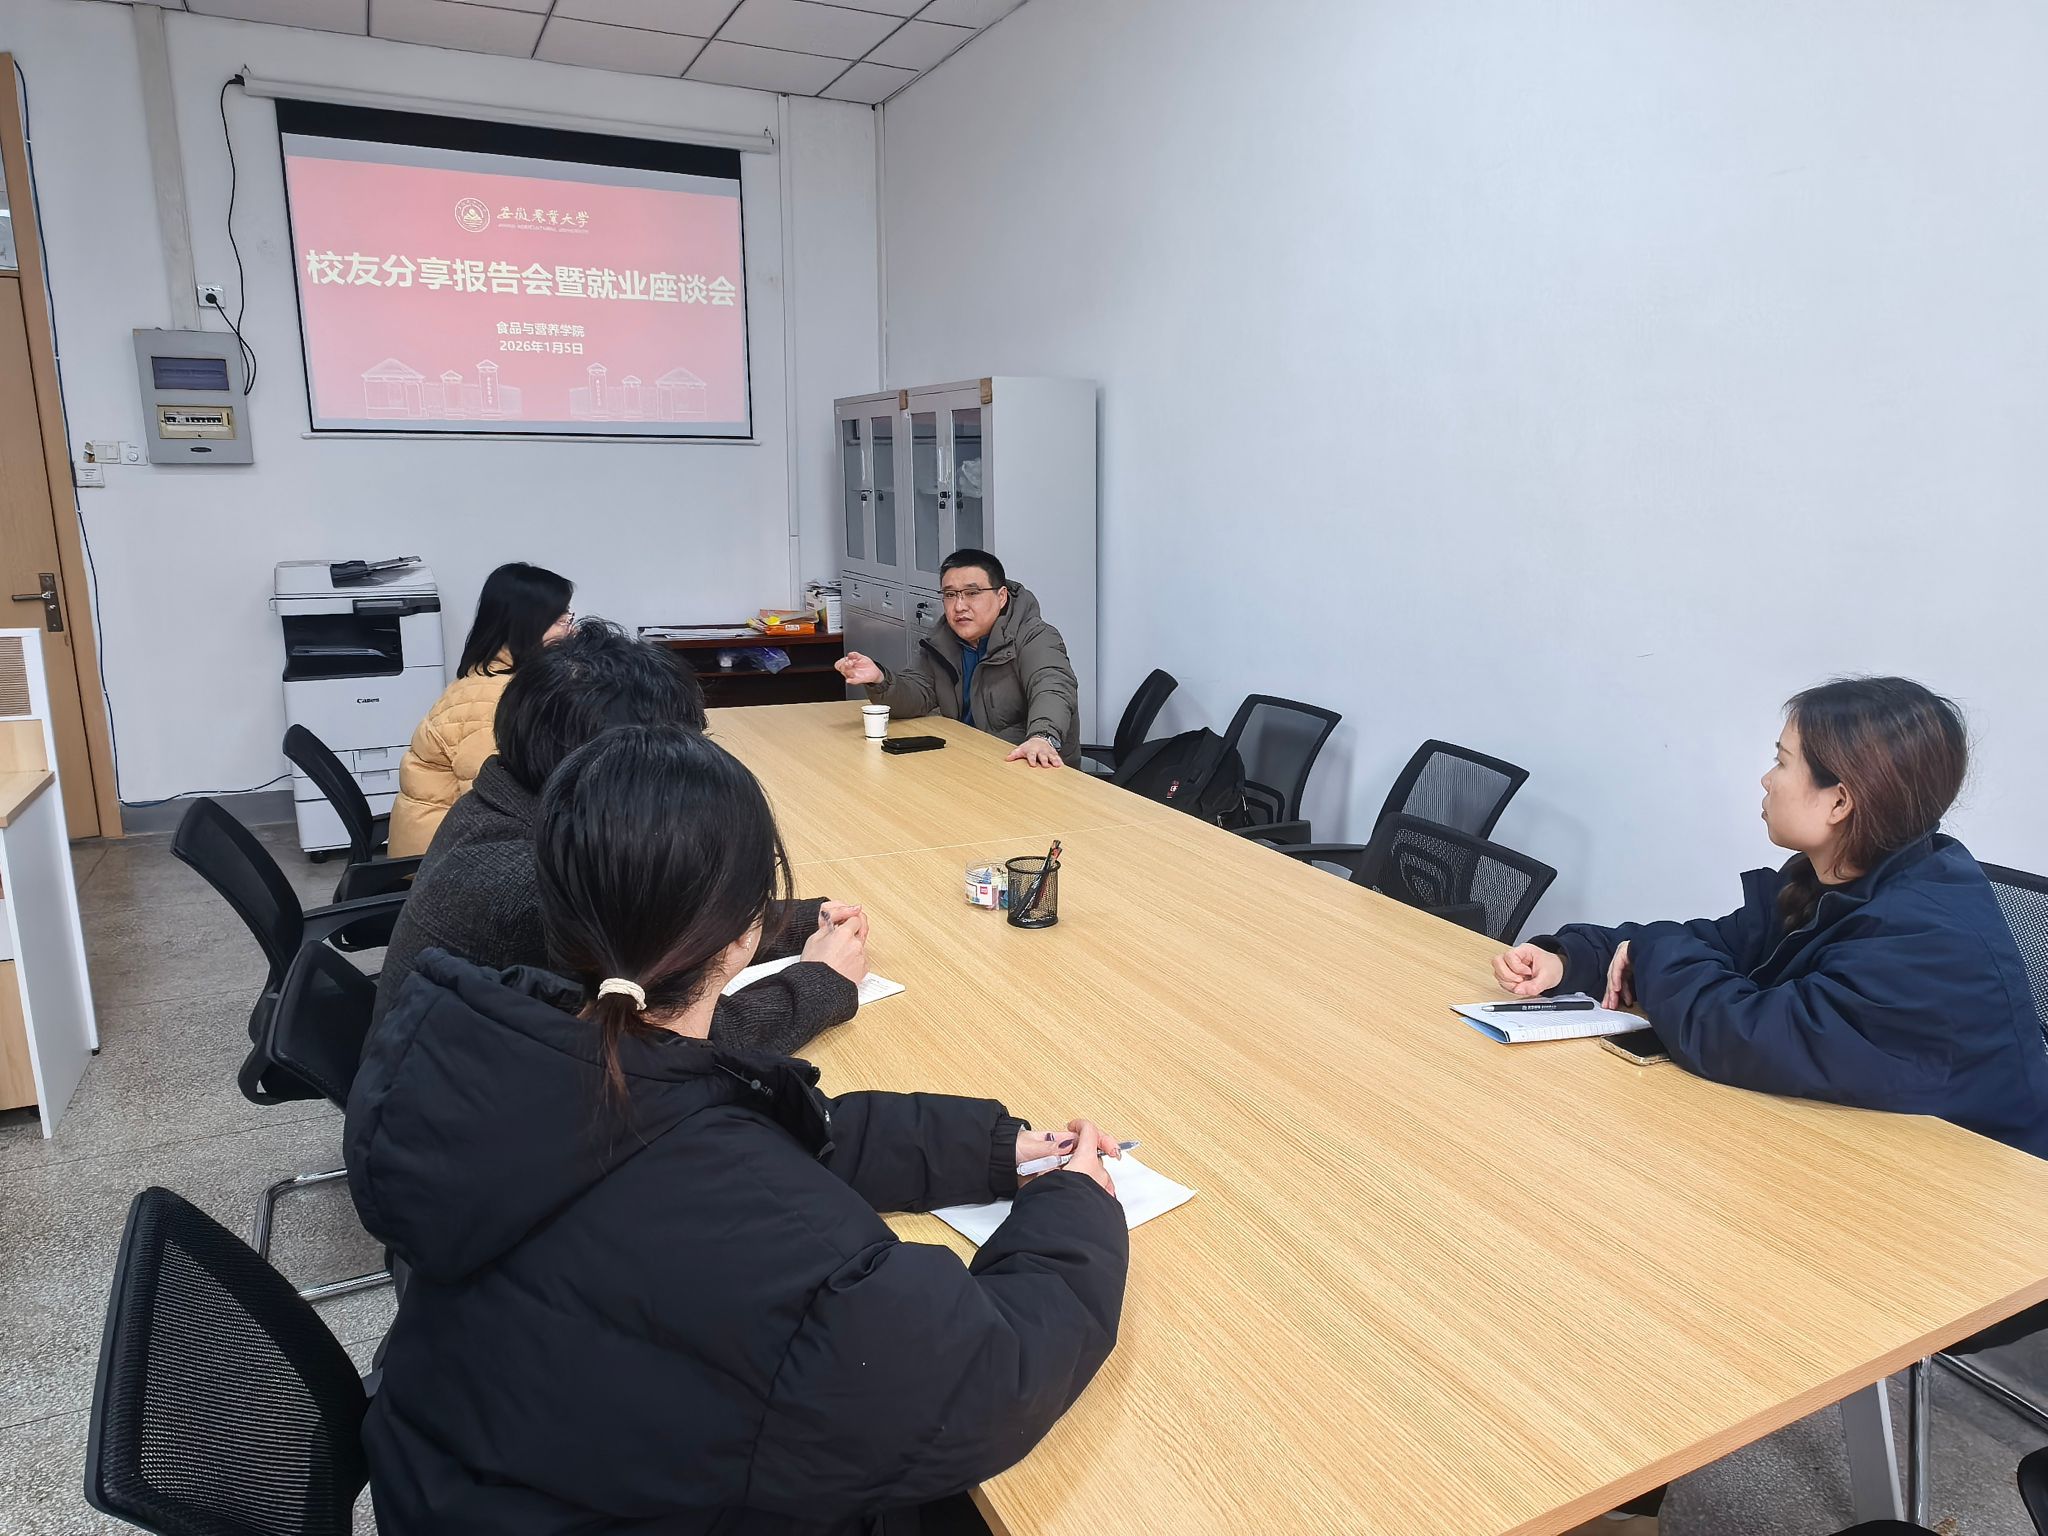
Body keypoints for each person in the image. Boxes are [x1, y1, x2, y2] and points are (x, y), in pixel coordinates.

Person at [348, 723, 1130, 1536]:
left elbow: (762, 1127)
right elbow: (986, 1381)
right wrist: (1077, 1206)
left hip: (444, 1493)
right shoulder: (782, 1259)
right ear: (746, 936)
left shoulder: (497, 1066)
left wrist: (990, 1148)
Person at [1493, 676, 2048, 1160]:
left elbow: (1742, 1034)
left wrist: (1649, 953)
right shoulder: (1833, 878)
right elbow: (1716, 945)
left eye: (1782, 762)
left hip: (1982, 1205)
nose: (1766, 780)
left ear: (1840, 802)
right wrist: (1573, 960)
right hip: (1862, 1157)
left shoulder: (1928, 939)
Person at [373, 619, 866, 1057]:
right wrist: (821, 982)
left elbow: (665, 930)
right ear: (622, 766)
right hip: (498, 1120)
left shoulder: (505, 800)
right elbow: (667, 1047)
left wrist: (801, 921)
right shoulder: (539, 884)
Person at [388, 562, 575, 857]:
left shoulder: (491, 672)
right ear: (528, 625)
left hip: (447, 840)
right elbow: (494, 801)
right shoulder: (491, 703)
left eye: (569, 617)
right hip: (438, 859)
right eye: (561, 621)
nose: (571, 631)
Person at [834, 548, 1080, 768]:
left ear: (1001, 596)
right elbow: (917, 694)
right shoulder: (943, 639)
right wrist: (880, 679)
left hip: (1026, 767)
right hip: (968, 762)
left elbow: (1053, 687)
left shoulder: (1035, 636)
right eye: (950, 595)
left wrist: (1042, 737)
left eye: (972, 593)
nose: (959, 606)